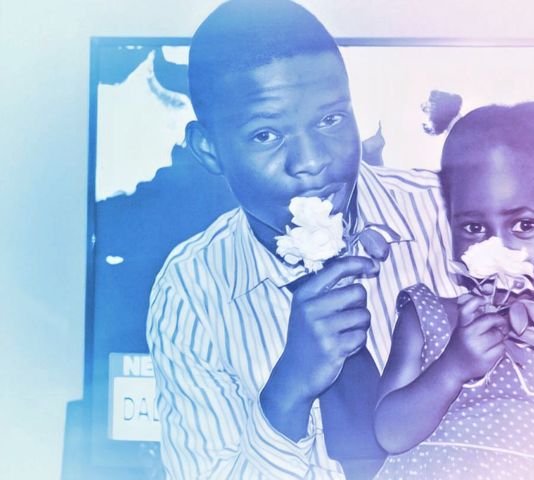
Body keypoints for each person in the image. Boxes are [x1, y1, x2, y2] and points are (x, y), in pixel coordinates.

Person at [146, 1, 470, 478]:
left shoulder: (451, 217)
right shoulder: (192, 291)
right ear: (208, 148)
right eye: (266, 135)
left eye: (330, 120)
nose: (312, 161)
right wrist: (289, 391)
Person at [373, 102, 534, 479]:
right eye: (473, 228)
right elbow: (388, 435)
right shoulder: (429, 316)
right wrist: (452, 367)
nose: (496, 247)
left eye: (524, 225)